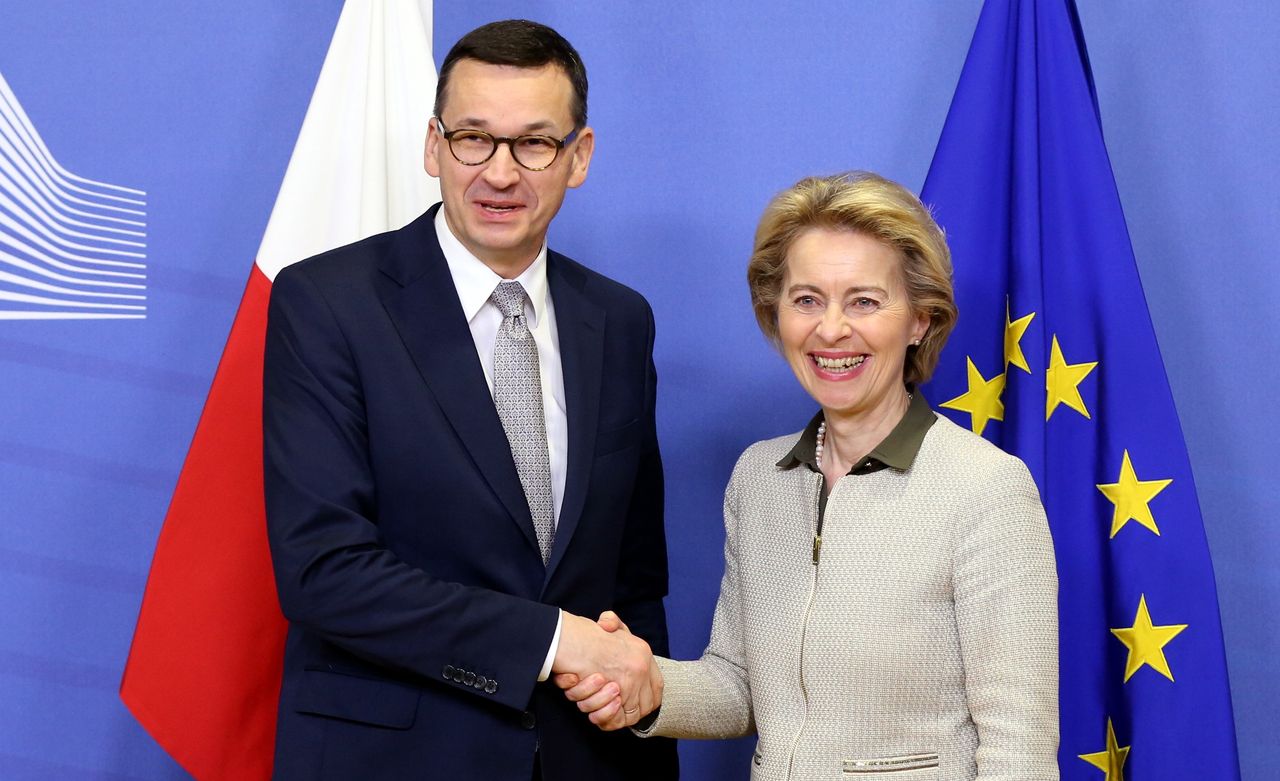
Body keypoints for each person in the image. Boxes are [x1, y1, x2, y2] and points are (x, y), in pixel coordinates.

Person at [263, 19, 674, 780]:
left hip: (588, 759)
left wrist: (642, 717)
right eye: (473, 138)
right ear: (433, 146)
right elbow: (324, 570)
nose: (500, 172)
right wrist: (553, 640)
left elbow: (634, 577)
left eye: (535, 143)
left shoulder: (619, 320)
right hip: (394, 759)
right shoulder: (327, 303)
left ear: (579, 156)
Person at [562, 172, 1059, 779]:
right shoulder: (759, 478)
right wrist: (647, 683)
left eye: (864, 301)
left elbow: (1020, 752)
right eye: (807, 299)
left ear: (920, 320)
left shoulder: (985, 488)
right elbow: (740, 685)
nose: (830, 330)